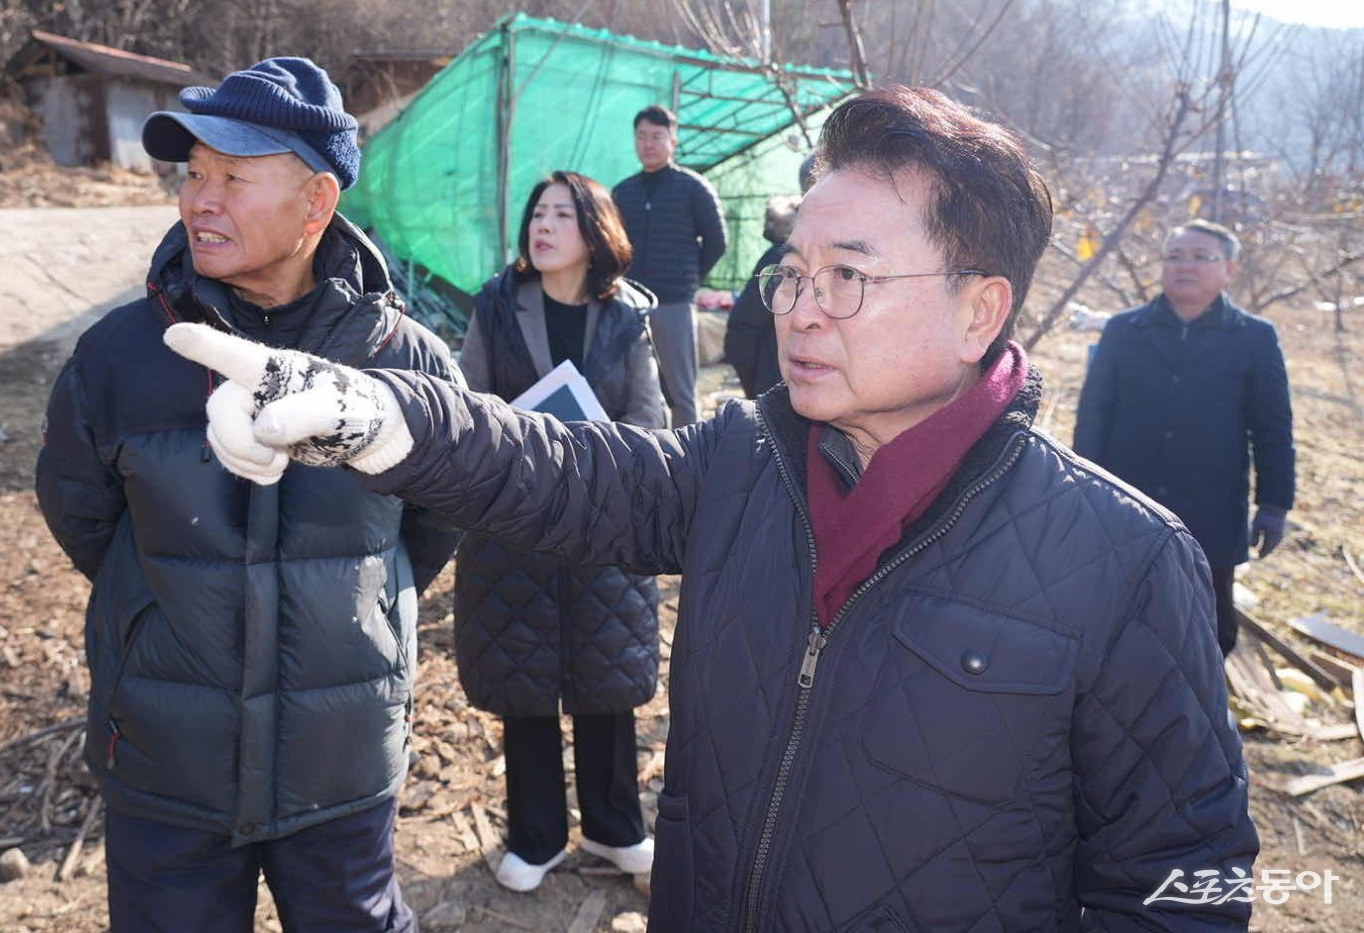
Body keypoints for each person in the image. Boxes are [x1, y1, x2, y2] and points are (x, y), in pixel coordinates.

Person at [164, 86, 1258, 931]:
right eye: (792, 273)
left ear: (981, 309)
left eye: (850, 278)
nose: (800, 311)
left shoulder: (1120, 563)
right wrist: (381, 414)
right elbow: (566, 469)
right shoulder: (744, 462)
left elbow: (1185, 885)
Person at [35, 57, 462, 933]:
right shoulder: (122, 353)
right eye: (193, 173)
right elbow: (83, 516)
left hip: (340, 757)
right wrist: (161, 615)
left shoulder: (405, 360)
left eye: (234, 176)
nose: (200, 198)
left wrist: (363, 612)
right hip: (167, 758)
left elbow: (436, 521)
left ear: (316, 203)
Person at [457, 171, 666, 892]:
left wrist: (608, 459)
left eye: (561, 215)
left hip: (602, 520)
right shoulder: (494, 305)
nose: (542, 226)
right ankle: (536, 835)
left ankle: (615, 827)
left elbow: (651, 418)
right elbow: (470, 407)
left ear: (595, 231)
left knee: (606, 676)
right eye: (536, 213)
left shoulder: (627, 315)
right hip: (515, 520)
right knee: (526, 678)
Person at [1074, 218, 1296, 655]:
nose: (1185, 266)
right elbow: (1093, 416)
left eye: (1201, 257)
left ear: (1229, 270)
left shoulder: (1254, 338)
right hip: (1125, 498)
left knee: (1208, 626)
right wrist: (1082, 489)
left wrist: (1275, 503)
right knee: (1115, 614)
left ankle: (1200, 715)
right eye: (1175, 256)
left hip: (1210, 504)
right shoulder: (1124, 331)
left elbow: (1272, 428)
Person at [612, 104, 727, 426]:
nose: (648, 144)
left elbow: (717, 242)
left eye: (657, 136)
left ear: (673, 141)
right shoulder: (623, 192)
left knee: (680, 390)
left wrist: (687, 280)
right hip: (629, 303)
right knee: (633, 387)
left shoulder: (693, 187)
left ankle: (688, 463)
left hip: (673, 303)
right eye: (642, 136)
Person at [722, 194, 799, 398]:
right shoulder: (782, 257)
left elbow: (744, 324)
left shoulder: (779, 260)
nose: (767, 224)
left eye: (772, 219)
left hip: (772, 373)